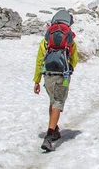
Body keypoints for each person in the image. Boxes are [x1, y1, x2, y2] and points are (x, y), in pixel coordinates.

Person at [33, 9, 79, 152]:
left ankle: (55, 129)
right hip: (63, 76)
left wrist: (37, 80)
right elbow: (75, 59)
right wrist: (69, 68)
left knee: (53, 101)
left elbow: (40, 60)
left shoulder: (46, 39)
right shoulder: (69, 39)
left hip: (47, 75)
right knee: (58, 103)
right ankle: (49, 135)